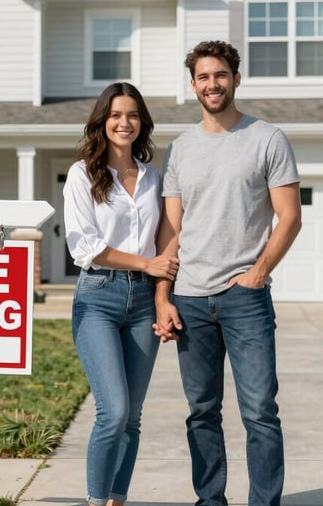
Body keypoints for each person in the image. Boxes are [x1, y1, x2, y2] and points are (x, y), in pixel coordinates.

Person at [153, 40, 302, 506]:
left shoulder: (267, 139)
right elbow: (171, 229)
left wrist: (257, 273)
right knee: (202, 412)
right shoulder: (180, 149)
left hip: (245, 298)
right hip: (192, 298)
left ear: (236, 79)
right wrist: (164, 295)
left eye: (220, 75)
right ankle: (210, 501)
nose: (212, 84)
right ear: (193, 85)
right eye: (202, 77)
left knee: (260, 411)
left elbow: (290, 216)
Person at [63, 82, 180, 506]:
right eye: (115, 115)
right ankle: (96, 502)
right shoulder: (82, 174)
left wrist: (163, 291)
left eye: (132, 115)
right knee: (112, 412)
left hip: (146, 301)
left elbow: (168, 236)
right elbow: (85, 246)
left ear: (142, 122)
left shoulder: (153, 177)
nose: (124, 122)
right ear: (102, 121)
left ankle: (116, 500)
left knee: (132, 417)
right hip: (98, 297)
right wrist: (146, 264)